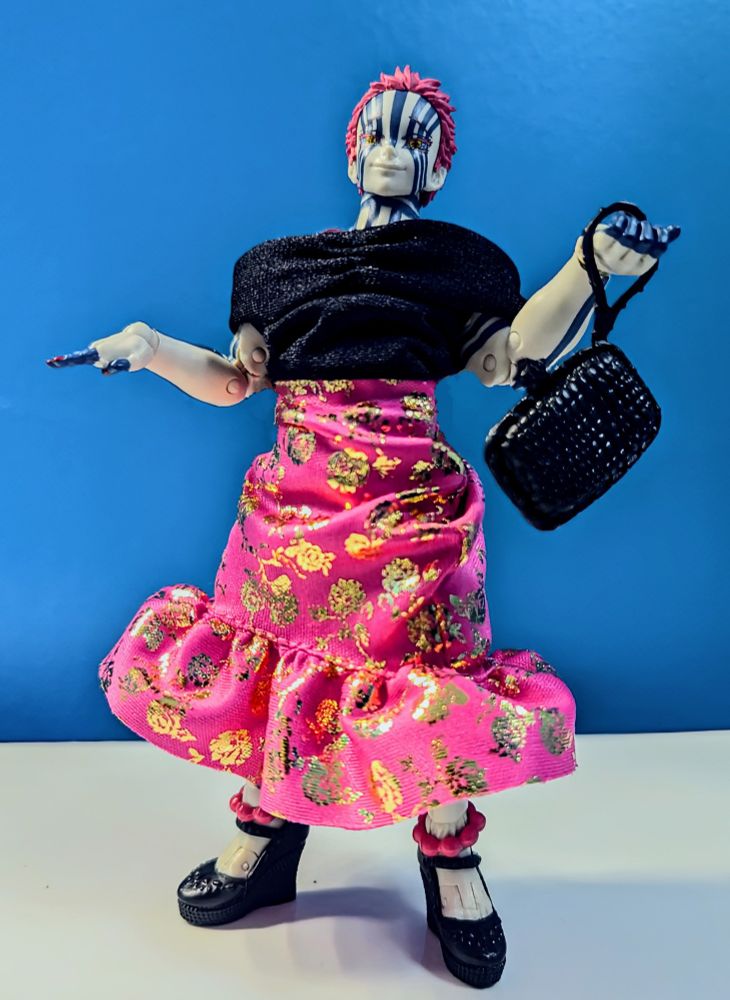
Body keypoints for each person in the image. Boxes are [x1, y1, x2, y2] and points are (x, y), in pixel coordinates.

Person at [48, 66, 679, 989]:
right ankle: (268, 835)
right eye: (378, 132)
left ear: (439, 167)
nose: (392, 149)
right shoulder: (276, 269)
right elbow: (236, 380)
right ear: (351, 153)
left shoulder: (456, 266)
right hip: (293, 516)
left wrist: (586, 267)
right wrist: (152, 348)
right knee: (278, 672)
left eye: (414, 138)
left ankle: (450, 855)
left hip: (413, 516)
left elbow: (508, 359)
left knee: (434, 681)